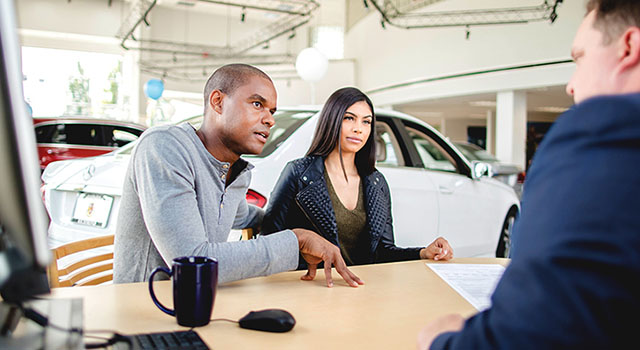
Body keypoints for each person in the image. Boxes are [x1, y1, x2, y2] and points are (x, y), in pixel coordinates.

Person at [418, 1, 640, 348]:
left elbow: (531, 331)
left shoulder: (604, 130)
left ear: (629, 47)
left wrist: (443, 340)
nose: (571, 84)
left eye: (580, 58)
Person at [114, 64, 363, 288]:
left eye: (272, 111)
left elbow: (243, 215)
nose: (270, 120)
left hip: (203, 301)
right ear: (218, 102)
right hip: (147, 308)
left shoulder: (235, 171)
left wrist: (295, 220)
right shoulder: (165, 147)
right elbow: (191, 261)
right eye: (257, 104)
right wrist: (296, 240)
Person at [261, 87, 453, 280]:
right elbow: (270, 243)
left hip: (361, 289)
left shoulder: (376, 182)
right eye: (349, 118)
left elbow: (383, 252)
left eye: (366, 121)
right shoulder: (298, 174)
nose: (358, 129)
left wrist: (423, 253)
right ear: (332, 120)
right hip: (312, 287)